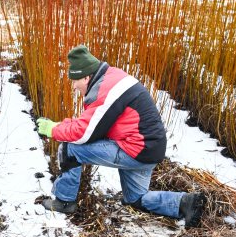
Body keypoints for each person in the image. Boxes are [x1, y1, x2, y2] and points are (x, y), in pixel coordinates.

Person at [36, 45, 206, 227]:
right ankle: (186, 202)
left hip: (136, 149)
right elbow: (91, 123)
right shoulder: (110, 78)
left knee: (70, 149)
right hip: (148, 150)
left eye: (74, 81)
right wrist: (61, 125)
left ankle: (64, 202)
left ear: (86, 77)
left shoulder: (106, 91)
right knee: (136, 199)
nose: (74, 87)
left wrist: (53, 129)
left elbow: (84, 134)